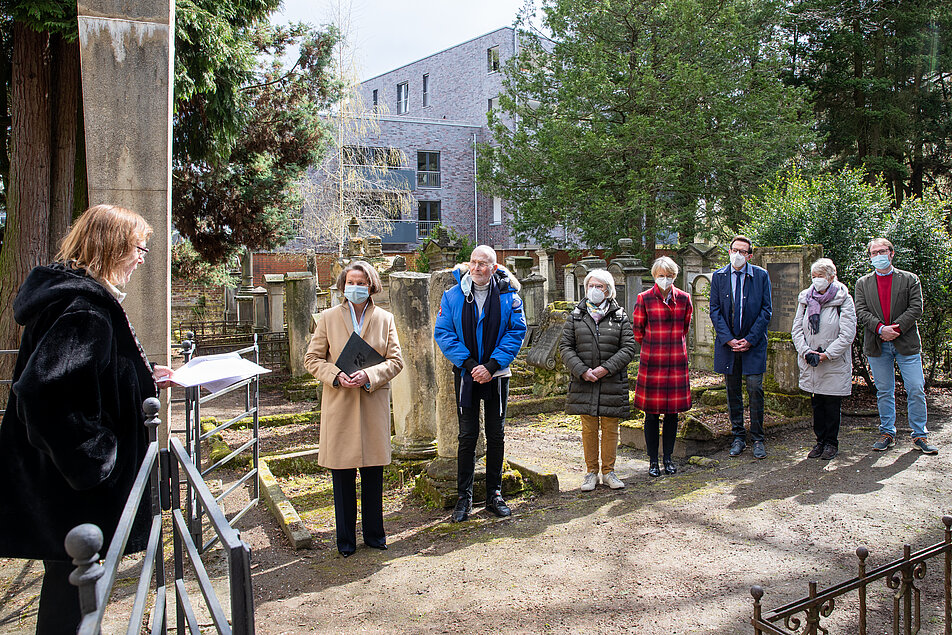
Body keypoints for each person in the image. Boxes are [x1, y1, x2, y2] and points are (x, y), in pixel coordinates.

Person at [0, 205, 173, 634]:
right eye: (139, 248)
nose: (141, 259)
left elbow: (91, 375)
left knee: (69, 587)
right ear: (112, 247)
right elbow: (44, 394)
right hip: (73, 493)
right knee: (70, 599)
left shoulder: (74, 298)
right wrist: (96, 461)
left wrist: (142, 375)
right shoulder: (85, 309)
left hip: (62, 488)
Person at [304, 261, 404, 556]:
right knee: (343, 477)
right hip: (340, 405)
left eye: (361, 282)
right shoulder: (327, 318)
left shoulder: (385, 319)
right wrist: (336, 375)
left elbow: (395, 361)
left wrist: (370, 375)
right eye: (351, 281)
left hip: (372, 404)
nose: (355, 287)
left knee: (373, 476)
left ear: (371, 285)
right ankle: (345, 541)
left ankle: (375, 535)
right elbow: (312, 359)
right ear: (342, 285)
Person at [434, 245, 527, 522]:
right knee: (467, 435)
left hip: (496, 374)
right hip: (466, 374)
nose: (477, 268)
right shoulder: (453, 296)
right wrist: (472, 365)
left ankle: (494, 495)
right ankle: (464, 498)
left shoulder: (509, 297)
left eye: (483, 264)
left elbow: (516, 331)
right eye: (474, 262)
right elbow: (444, 333)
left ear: (494, 268)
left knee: (496, 434)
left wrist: (491, 366)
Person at [854, 238, 937, 454]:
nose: (878, 255)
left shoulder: (910, 279)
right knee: (884, 391)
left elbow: (916, 308)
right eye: (874, 252)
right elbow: (862, 312)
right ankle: (887, 433)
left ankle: (919, 435)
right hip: (877, 344)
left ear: (891, 253)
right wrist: (881, 329)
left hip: (906, 344)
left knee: (916, 388)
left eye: (882, 251)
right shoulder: (863, 283)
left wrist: (895, 330)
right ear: (870, 256)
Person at [559, 269, 637, 490]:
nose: (594, 290)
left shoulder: (619, 316)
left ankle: (609, 471)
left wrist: (605, 369)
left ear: (608, 290)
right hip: (584, 380)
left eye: (599, 286)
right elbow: (566, 347)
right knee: (589, 427)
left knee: (611, 427)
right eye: (590, 286)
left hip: (611, 380)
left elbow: (628, 347)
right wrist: (582, 370)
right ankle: (591, 472)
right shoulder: (576, 315)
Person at [710, 235, 773, 459]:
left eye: (743, 251)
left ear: (749, 255)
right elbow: (714, 310)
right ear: (729, 251)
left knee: (755, 389)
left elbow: (767, 310)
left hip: (753, 344)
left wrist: (751, 339)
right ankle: (738, 436)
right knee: (732, 390)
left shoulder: (761, 276)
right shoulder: (719, 277)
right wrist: (728, 339)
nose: (738, 255)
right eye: (734, 250)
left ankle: (757, 438)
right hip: (729, 344)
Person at [631, 257, 693, 477]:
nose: (664, 279)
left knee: (672, 414)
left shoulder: (684, 299)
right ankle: (653, 460)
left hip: (676, 361)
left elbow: (685, 327)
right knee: (651, 414)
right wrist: (654, 345)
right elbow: (638, 330)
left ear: (674, 276)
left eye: (668, 275)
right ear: (654, 276)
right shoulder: (644, 298)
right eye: (660, 275)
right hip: (652, 361)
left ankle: (668, 458)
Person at [791, 258, 857, 460]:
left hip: (833, 361)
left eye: (820, 276)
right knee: (817, 403)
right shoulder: (805, 298)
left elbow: (847, 333)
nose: (816, 280)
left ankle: (831, 443)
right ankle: (819, 441)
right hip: (811, 361)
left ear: (831, 277)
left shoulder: (843, 299)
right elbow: (796, 329)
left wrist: (827, 354)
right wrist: (805, 351)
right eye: (814, 276)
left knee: (831, 403)